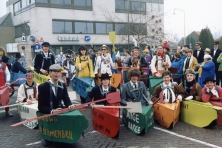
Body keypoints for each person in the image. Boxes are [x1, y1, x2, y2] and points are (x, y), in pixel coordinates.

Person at [38, 64, 75, 147]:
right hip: (49, 114)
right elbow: (40, 107)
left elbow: (66, 99)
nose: (56, 74)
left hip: (60, 112)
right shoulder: (42, 87)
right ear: (50, 73)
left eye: (58, 72)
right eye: (54, 72)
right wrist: (52, 111)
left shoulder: (63, 85)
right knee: (50, 144)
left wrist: (70, 105)